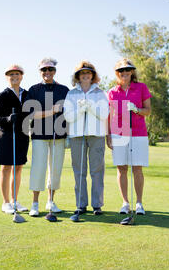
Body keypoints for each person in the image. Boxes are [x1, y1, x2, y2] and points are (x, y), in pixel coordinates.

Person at [106, 58, 152, 215]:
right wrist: (108, 136)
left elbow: (148, 110)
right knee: (121, 168)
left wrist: (136, 109)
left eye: (127, 70)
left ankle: (139, 203)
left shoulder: (141, 87)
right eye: (121, 71)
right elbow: (108, 116)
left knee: (137, 168)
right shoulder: (112, 92)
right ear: (117, 73)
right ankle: (125, 202)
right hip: (118, 132)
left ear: (132, 71)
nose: (124, 73)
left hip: (138, 133)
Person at [25, 57, 69, 217]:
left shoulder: (64, 90)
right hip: (39, 135)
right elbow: (31, 114)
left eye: (50, 69)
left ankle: (51, 201)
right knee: (38, 168)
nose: (47, 72)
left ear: (55, 71)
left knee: (55, 169)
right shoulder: (34, 90)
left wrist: (69, 133)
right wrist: (52, 111)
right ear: (40, 72)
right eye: (44, 70)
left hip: (59, 135)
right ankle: (35, 204)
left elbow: (68, 114)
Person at [63, 60, 109, 215]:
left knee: (97, 170)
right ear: (78, 76)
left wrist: (90, 106)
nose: (85, 75)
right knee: (79, 171)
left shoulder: (100, 93)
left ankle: (97, 205)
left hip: (96, 135)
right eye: (82, 73)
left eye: (88, 73)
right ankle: (81, 205)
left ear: (93, 75)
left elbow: (104, 114)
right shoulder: (71, 93)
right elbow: (68, 117)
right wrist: (80, 110)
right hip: (77, 136)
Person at [0, 64, 30, 214]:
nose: (14, 77)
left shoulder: (26, 94)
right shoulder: (2, 95)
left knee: (18, 167)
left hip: (22, 135)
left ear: (21, 76)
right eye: (11, 74)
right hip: (7, 135)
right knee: (6, 168)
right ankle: (6, 202)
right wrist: (8, 119)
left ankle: (15, 201)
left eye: (17, 74)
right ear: (7, 77)